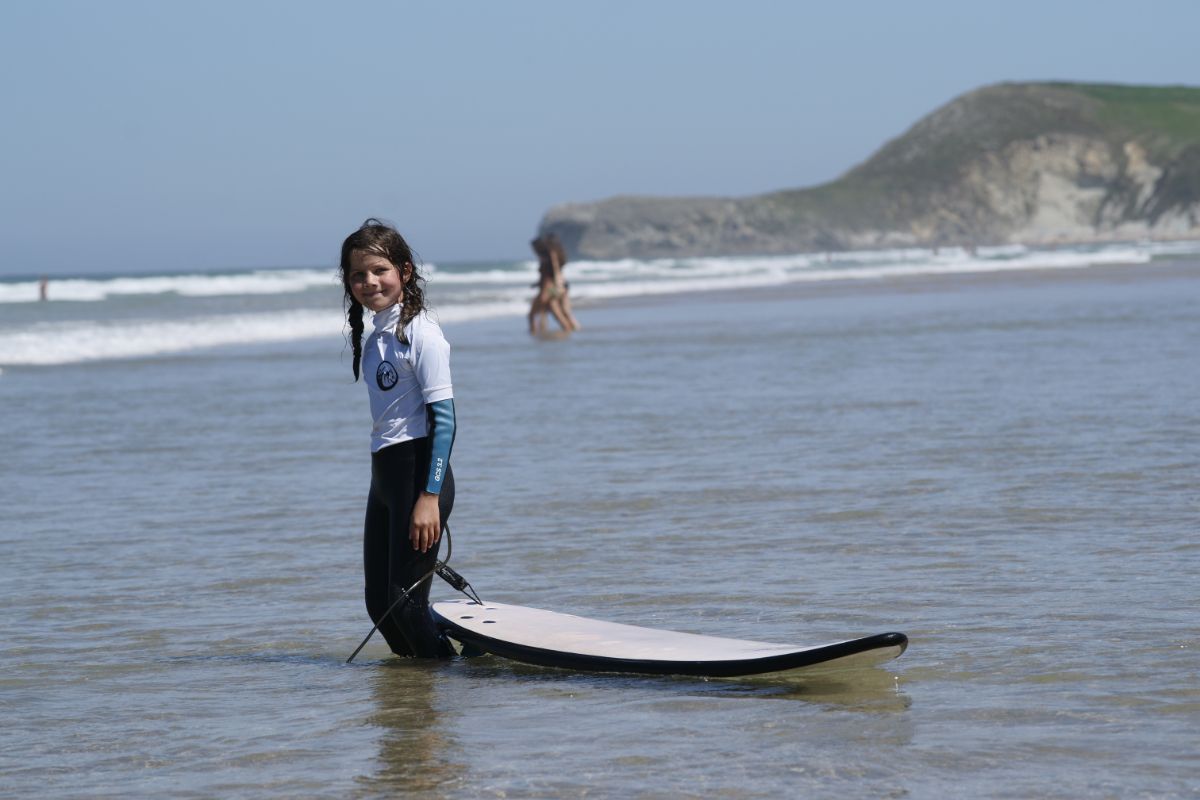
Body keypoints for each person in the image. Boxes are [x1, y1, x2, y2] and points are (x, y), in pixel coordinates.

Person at [339, 218, 456, 658]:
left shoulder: (423, 334)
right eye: (358, 275)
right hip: (385, 478)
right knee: (380, 604)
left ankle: (449, 684)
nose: (369, 281)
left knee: (405, 605)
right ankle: (415, 694)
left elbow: (444, 420)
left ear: (404, 271)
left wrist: (428, 496)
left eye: (379, 270)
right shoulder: (376, 338)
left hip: (418, 477)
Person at [527, 235, 579, 334]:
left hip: (550, 287)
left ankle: (536, 331)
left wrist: (558, 284)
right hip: (554, 286)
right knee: (560, 312)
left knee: (541, 312)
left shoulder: (549, 256)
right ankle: (571, 329)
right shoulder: (548, 257)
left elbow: (555, 271)